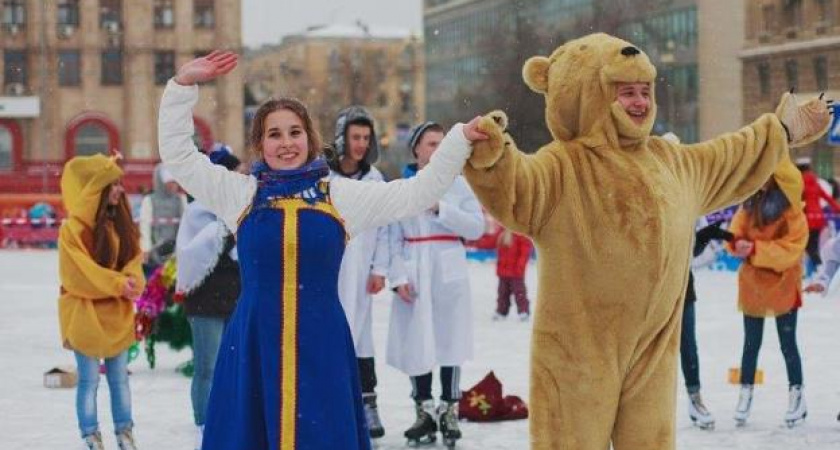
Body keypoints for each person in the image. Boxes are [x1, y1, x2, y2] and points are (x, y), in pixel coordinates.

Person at [461, 33, 831, 450]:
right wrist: (495, 158)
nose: (640, 103)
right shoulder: (564, 165)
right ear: (590, 96)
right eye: (625, 93)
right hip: (579, 352)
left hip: (653, 350)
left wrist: (781, 128)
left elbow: (730, 156)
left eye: (645, 91)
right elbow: (519, 190)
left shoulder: (670, 161)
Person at [157, 50, 487, 450]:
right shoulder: (240, 194)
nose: (286, 143)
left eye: (294, 132)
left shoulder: (338, 196)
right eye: (273, 134)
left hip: (322, 340)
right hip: (254, 340)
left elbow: (416, 192)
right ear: (260, 143)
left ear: (309, 138)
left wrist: (458, 141)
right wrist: (182, 87)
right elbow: (180, 157)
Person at [386, 121, 485, 446]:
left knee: (449, 340)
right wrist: (397, 276)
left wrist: (441, 207)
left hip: (447, 266)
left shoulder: (460, 185)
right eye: (431, 144)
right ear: (416, 148)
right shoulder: (404, 186)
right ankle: (424, 409)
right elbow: (392, 237)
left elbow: (476, 228)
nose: (438, 150)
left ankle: (449, 407)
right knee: (418, 340)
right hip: (415, 266)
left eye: (443, 144)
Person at [58, 153, 145, 450]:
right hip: (84, 316)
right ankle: (90, 434)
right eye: (113, 185)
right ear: (96, 190)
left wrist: (133, 281)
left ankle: (125, 432)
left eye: (119, 184)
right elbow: (79, 274)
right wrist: (118, 284)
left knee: (119, 378)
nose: (120, 190)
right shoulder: (71, 232)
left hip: (117, 316)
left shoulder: (120, 224)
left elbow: (134, 258)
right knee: (89, 380)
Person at [727, 160, 808, 427]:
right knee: (750, 345)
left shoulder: (791, 209)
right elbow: (735, 231)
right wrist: (735, 243)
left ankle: (797, 395)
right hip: (754, 285)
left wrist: (755, 250)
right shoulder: (749, 203)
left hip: (784, 282)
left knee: (788, 345)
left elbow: (793, 246)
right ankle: (745, 393)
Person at [327, 106, 391, 439]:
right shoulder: (325, 178)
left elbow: (383, 228)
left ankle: (368, 404)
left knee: (362, 340)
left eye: (366, 137)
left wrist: (380, 267)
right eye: (355, 137)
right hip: (330, 271)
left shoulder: (375, 179)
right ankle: (331, 404)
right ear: (342, 138)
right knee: (331, 337)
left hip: (362, 271)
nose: (361, 144)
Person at [175, 146, 244, 450]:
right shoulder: (198, 210)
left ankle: (229, 420)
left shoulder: (240, 208)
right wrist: (225, 230)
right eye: (235, 172)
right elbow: (192, 254)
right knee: (207, 367)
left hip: (236, 299)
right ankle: (204, 424)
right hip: (205, 301)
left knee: (233, 367)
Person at [681, 218, 733, 430]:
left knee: (688, 348)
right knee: (648, 352)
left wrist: (702, 237)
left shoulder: (688, 206)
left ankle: (695, 399)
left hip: (683, 289)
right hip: (649, 290)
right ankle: (644, 405)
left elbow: (687, 255)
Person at [139, 163, 187, 274]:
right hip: (154, 253)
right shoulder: (149, 201)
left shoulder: (181, 200)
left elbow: (185, 227)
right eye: (171, 183)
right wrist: (145, 249)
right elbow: (144, 226)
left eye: (175, 182)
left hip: (176, 253)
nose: (174, 185)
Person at [796, 157, 840, 273]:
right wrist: (837, 209)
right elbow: (826, 197)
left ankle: (818, 269)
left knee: (805, 246)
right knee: (813, 245)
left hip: (806, 219)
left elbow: (796, 200)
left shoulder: (798, 182)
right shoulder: (815, 181)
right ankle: (815, 269)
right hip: (818, 218)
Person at [492, 227, 533, 321]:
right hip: (503, 271)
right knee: (502, 292)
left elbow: (524, 252)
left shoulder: (520, 234)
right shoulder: (502, 232)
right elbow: (492, 242)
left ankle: (523, 311)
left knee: (519, 292)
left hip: (516, 272)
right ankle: (501, 311)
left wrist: (520, 267)